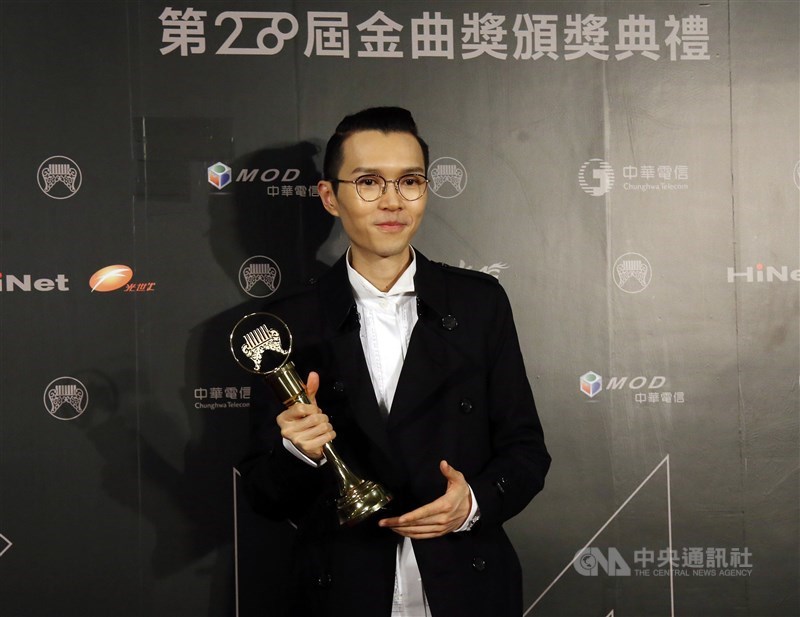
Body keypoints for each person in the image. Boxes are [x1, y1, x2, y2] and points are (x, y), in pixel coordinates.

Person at [239, 107, 551, 617]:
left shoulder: (478, 303)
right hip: (340, 588)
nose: (392, 201)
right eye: (367, 182)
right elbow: (264, 496)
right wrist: (298, 453)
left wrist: (470, 504)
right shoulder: (284, 323)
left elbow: (525, 452)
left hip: (466, 585)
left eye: (409, 181)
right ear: (329, 197)